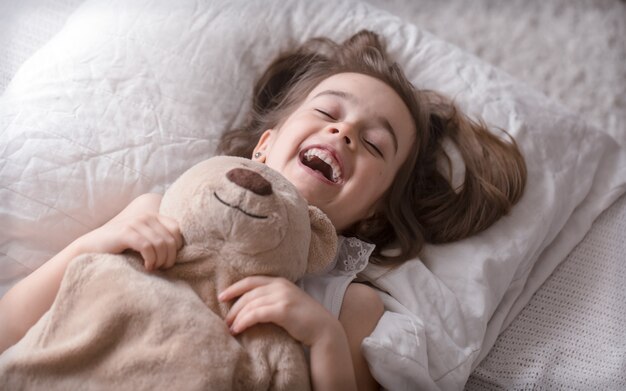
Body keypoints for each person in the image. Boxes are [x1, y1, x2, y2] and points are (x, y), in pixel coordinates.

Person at [0, 30, 526, 390]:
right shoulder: (162, 212)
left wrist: (319, 335)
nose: (342, 133)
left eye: (374, 145)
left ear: (373, 213)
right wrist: (94, 245)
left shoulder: (349, 305)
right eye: (327, 113)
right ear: (264, 146)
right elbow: (11, 327)